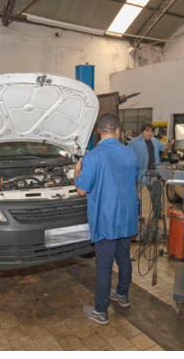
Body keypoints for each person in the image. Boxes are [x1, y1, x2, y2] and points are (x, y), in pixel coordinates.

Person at [74, 113, 140, 325]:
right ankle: (122, 294)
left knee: (103, 265)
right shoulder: (130, 154)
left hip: (106, 219)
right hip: (127, 217)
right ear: (118, 131)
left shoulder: (93, 156)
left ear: (99, 132)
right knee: (123, 259)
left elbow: (81, 190)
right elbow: (133, 178)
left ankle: (101, 310)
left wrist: (77, 170)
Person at [127, 122, 174, 194]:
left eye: (151, 131)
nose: (149, 133)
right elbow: (127, 156)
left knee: (156, 199)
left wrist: (169, 143)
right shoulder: (134, 142)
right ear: (142, 131)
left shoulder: (155, 141)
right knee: (133, 196)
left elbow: (164, 147)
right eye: (147, 131)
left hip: (153, 174)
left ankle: (156, 205)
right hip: (140, 174)